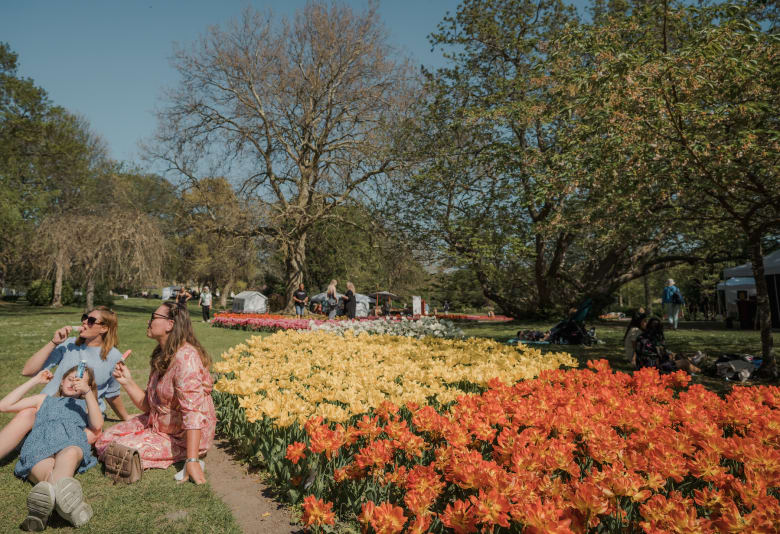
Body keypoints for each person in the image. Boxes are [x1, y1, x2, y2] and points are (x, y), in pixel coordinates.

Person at [95, 302, 215, 485]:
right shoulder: (162, 353)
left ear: (170, 324)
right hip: (157, 424)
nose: (148, 321)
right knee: (105, 439)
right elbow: (149, 405)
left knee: (119, 450)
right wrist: (127, 381)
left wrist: (192, 460)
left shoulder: (186, 359)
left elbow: (193, 413)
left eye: (153, 317)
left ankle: (186, 454)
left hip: (181, 437)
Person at [0, 307, 129, 462]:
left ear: (104, 328)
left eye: (91, 320)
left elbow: (112, 394)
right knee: (26, 414)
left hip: (80, 415)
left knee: (93, 433)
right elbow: (28, 371)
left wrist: (125, 416)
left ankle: (38, 445)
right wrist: (53, 342)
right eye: (84, 317)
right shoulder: (69, 344)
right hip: (49, 406)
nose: (84, 322)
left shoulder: (114, 357)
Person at [0, 366, 102, 529]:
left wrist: (88, 393)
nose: (73, 383)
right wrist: (35, 380)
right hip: (39, 445)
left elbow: (97, 425)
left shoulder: (85, 405)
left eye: (79, 381)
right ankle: (70, 510)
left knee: (70, 454)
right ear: (61, 382)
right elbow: (4, 405)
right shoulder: (43, 400)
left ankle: (42, 511)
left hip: (70, 443)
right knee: (48, 478)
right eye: (70, 379)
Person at [635, 317, 700, 374]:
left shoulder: (640, 337)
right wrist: (671, 356)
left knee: (678, 356)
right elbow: (662, 357)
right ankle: (699, 370)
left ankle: (693, 365)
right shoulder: (656, 338)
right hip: (654, 370)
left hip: (640, 368)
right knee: (684, 362)